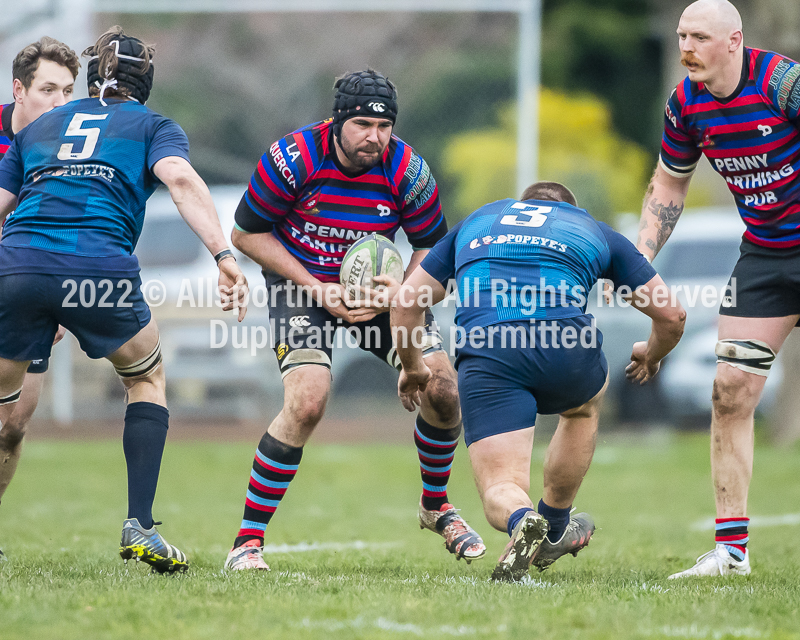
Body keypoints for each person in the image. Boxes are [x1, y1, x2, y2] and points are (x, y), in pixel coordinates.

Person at [0, 26, 248, 573]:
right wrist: (224, 257)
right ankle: (139, 525)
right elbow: (180, 180)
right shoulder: (152, 125)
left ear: (90, 78)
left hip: (19, 266)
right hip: (98, 270)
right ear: (147, 83)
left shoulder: (40, 126)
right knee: (145, 378)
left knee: (2, 411)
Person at [225, 68, 485, 571]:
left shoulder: (407, 169)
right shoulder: (294, 158)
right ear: (338, 121)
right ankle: (247, 543)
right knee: (308, 401)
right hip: (304, 286)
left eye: (385, 127)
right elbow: (245, 235)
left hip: (381, 295)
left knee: (444, 389)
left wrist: (401, 297)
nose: (375, 137)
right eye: (363, 125)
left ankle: (436, 507)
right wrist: (318, 287)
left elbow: (432, 247)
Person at [390, 182, 686, 582]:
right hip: (566, 347)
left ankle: (523, 519)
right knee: (582, 407)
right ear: (569, 210)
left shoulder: (477, 220)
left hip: (490, 349)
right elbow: (672, 316)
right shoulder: (593, 229)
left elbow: (407, 302)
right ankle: (554, 523)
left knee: (501, 484)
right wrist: (652, 354)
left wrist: (412, 367)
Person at [634, 0, 800, 578]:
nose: (686, 47)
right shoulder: (685, 103)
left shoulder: (782, 83)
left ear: (734, 41)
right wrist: (641, 258)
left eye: (699, 37)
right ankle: (730, 554)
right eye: (681, 35)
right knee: (729, 389)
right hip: (765, 256)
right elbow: (671, 182)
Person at [0, 38, 80, 557]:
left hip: (29, 294)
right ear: (19, 89)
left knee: (13, 425)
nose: (60, 103)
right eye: (49, 89)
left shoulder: (74, 146)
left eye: (69, 92)